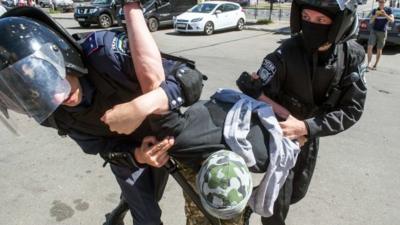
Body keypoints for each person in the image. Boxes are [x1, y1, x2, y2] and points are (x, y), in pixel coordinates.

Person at [0, 4, 204, 225]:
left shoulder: (105, 54)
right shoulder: (54, 113)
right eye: (37, 91)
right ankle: (119, 212)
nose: (57, 96)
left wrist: (140, 107)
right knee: (147, 216)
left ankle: (125, 204)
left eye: (49, 76)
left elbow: (188, 78)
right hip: (129, 157)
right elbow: (98, 147)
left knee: (211, 197)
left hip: (166, 131)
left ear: (60, 52)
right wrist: (138, 155)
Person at [235, 0, 367, 224]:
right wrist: (257, 85)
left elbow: (352, 108)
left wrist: (307, 127)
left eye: (321, 20)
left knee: (297, 192)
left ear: (338, 24)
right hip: (282, 134)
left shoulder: (352, 56)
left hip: (310, 132)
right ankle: (250, 206)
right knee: (278, 205)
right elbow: (258, 90)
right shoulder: (286, 52)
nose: (311, 25)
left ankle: (254, 198)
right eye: (306, 17)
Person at [367, 0, 394, 71]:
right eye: (379, 2)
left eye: (382, 2)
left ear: (385, 2)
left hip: (383, 32)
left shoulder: (388, 10)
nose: (381, 3)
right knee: (370, 46)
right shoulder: (375, 10)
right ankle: (369, 63)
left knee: (379, 49)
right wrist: (375, 15)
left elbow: (392, 20)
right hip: (374, 30)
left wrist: (385, 14)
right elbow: (370, 21)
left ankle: (375, 65)